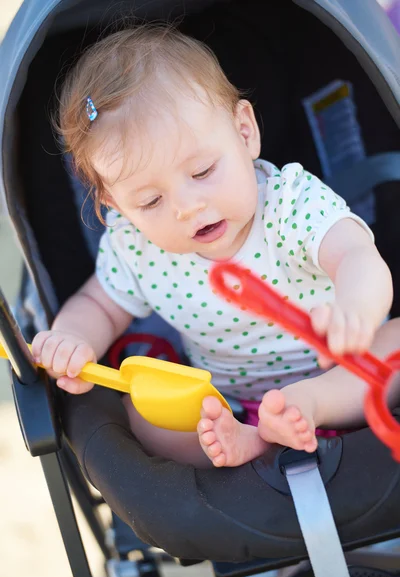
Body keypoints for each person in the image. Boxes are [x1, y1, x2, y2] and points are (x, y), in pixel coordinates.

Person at [32, 25, 400, 468]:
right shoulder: (136, 246)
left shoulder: (288, 203)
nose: (187, 207)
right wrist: (73, 338)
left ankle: (307, 406)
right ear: (116, 206)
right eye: (151, 201)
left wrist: (356, 309)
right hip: (223, 402)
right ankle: (251, 438)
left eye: (203, 171)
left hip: (343, 374)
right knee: (139, 418)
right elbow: (101, 304)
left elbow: (357, 255)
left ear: (244, 133)